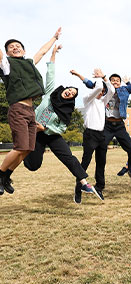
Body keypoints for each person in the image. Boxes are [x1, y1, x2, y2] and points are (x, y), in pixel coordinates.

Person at [23, 45, 95, 203]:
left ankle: (83, 183)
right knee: (33, 165)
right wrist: (54, 54)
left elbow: (61, 128)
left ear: (71, 99)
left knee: (69, 157)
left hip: (52, 135)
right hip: (36, 134)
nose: (70, 92)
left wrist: (46, 128)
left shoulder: (67, 111)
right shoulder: (49, 94)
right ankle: (22, 154)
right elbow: (51, 74)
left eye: (73, 94)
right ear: (65, 89)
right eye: (70, 89)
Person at [0, 27, 61, 196]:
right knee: (20, 147)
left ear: (24, 50)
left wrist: (54, 37)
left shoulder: (29, 63)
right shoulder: (7, 65)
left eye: (17, 45)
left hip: (30, 111)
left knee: (28, 149)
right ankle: (0, 174)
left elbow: (42, 52)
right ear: (7, 53)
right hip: (18, 109)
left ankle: (6, 177)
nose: (14, 47)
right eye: (10, 47)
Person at [70, 68, 115, 202]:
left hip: (101, 135)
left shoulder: (103, 101)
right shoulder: (88, 99)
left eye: (102, 92)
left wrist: (105, 77)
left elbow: (111, 90)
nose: (101, 93)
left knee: (101, 162)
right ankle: (78, 189)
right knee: (85, 162)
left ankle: (100, 187)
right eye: (99, 91)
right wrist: (98, 79)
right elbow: (98, 88)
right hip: (90, 135)